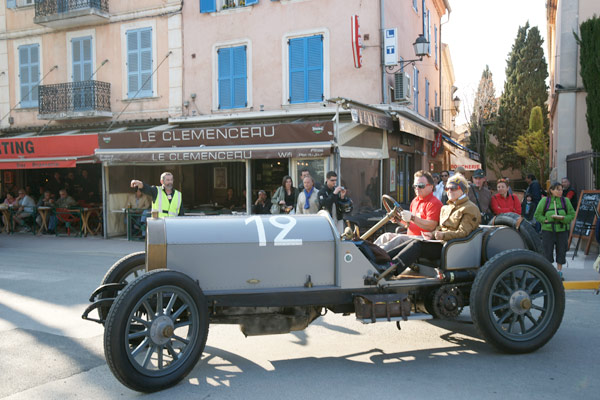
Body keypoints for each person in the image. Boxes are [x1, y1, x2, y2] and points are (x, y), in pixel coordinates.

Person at [388, 174, 481, 275]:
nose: (449, 191)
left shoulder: (470, 208)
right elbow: (440, 227)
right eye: (447, 188)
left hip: (452, 247)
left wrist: (443, 235)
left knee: (417, 245)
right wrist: (432, 234)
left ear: (463, 190)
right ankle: (384, 260)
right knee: (413, 241)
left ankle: (392, 268)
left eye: (453, 188)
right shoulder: (446, 207)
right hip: (441, 243)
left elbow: (463, 232)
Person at [375, 170, 442, 251]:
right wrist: (398, 219)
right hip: (410, 237)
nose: (417, 188)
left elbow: (431, 226)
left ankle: (378, 255)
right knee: (386, 236)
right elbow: (409, 224)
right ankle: (368, 253)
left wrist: (412, 217)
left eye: (421, 185)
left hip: (423, 240)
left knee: (399, 239)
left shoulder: (434, 203)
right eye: (415, 186)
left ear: (431, 187)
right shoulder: (415, 201)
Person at [534, 182, 576, 280]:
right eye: (557, 189)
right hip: (548, 230)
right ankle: (549, 272)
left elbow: (572, 214)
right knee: (547, 251)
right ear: (551, 190)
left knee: (561, 250)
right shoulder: (545, 200)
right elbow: (537, 214)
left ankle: (559, 272)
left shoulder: (566, 201)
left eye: (561, 189)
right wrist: (545, 220)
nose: (560, 191)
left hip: (562, 230)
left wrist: (564, 219)